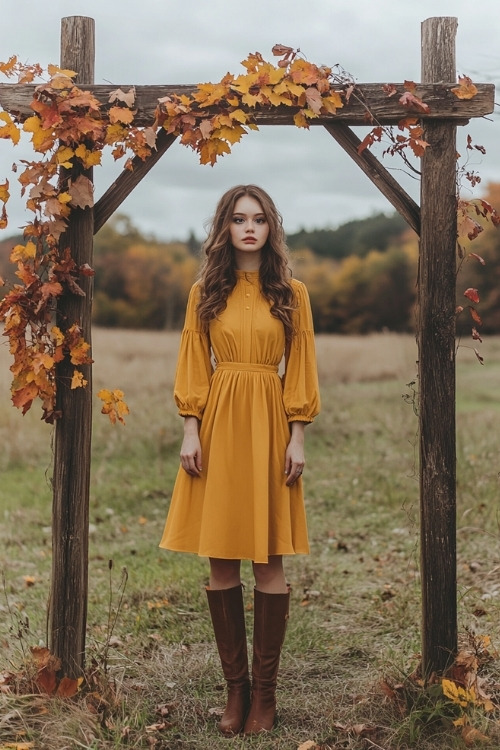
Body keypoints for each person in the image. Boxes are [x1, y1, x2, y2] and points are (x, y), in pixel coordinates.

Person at [159, 184, 320, 736]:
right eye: (238, 219)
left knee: (270, 559)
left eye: (258, 219)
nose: (249, 228)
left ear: (271, 227)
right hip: (219, 424)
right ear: (224, 228)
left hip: (272, 422)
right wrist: (190, 427)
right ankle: (237, 692)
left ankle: (265, 698)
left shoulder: (291, 292)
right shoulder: (205, 290)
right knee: (222, 556)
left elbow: (301, 366)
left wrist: (297, 436)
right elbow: (191, 363)